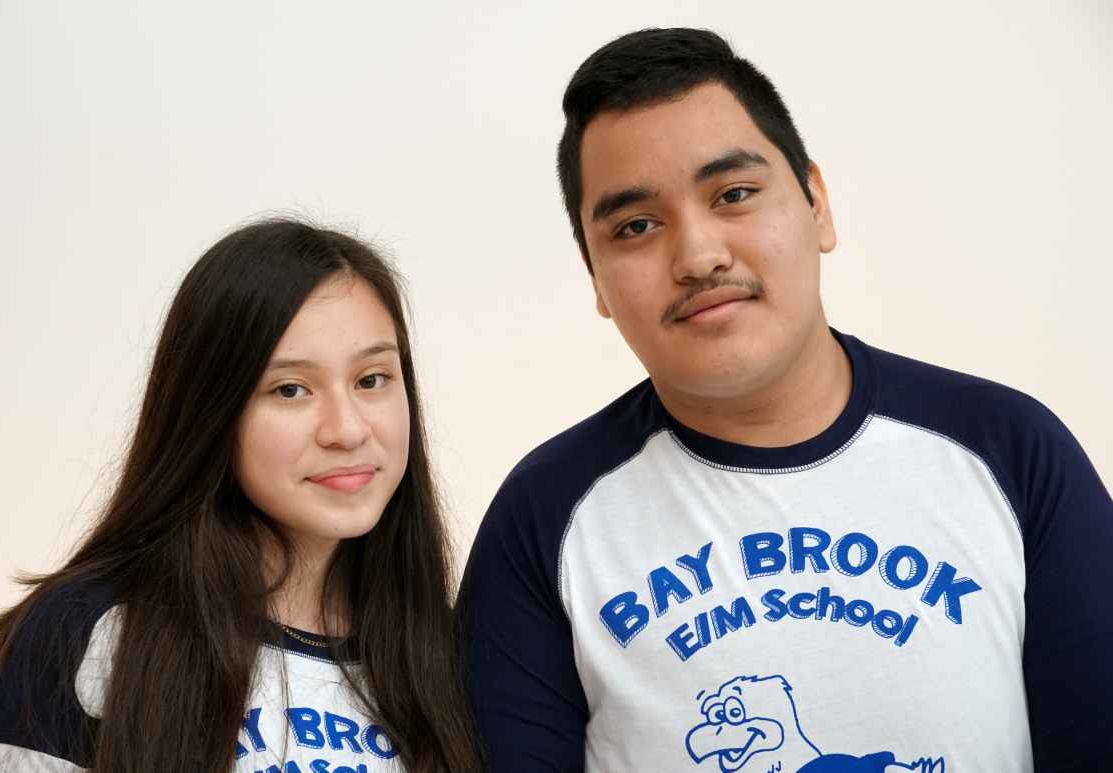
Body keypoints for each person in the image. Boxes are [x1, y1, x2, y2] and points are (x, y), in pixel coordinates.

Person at [458, 27, 1113, 772]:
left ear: (817, 204)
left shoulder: (1008, 449)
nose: (699, 255)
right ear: (596, 279)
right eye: (636, 226)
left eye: (733, 194)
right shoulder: (545, 518)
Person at [0, 219, 479, 772]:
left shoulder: (449, 657)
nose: (347, 429)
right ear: (211, 412)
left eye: (372, 379)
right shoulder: (88, 629)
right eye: (290, 389)